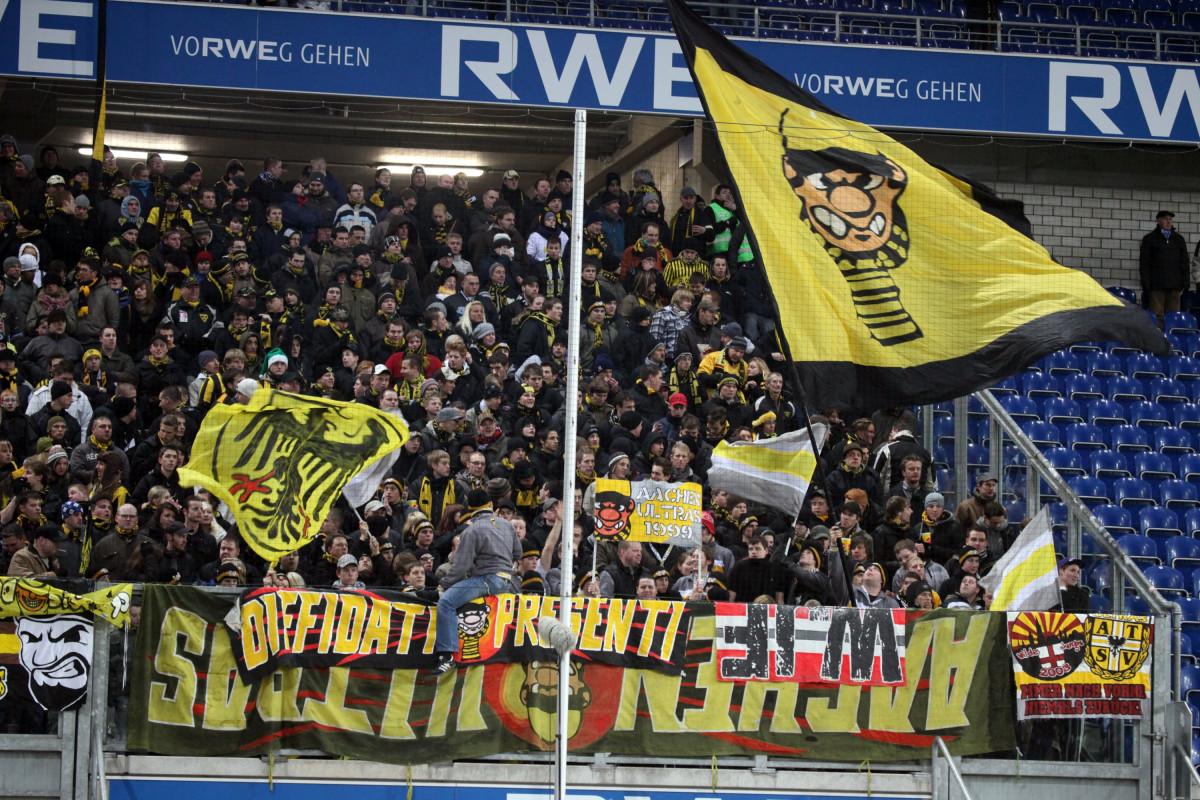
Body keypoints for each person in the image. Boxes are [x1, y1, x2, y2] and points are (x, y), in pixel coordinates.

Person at [433, 489, 521, 675]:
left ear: (470, 509)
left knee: (446, 602)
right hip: (508, 580)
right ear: (490, 505)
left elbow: (460, 567)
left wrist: (443, 585)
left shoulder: (471, 531)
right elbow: (518, 553)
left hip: (487, 580)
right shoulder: (507, 525)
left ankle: (446, 655)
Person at [1139, 209, 1190, 328]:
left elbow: (1184, 262)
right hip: (1156, 285)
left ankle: (1171, 336)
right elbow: (1144, 263)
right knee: (1157, 315)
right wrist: (1146, 284)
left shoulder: (1178, 239)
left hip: (1175, 285)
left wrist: (1185, 282)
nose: (1169, 222)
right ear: (1158, 221)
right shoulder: (1149, 239)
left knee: (1173, 315)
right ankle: (1158, 336)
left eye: (1170, 219)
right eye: (1166, 219)